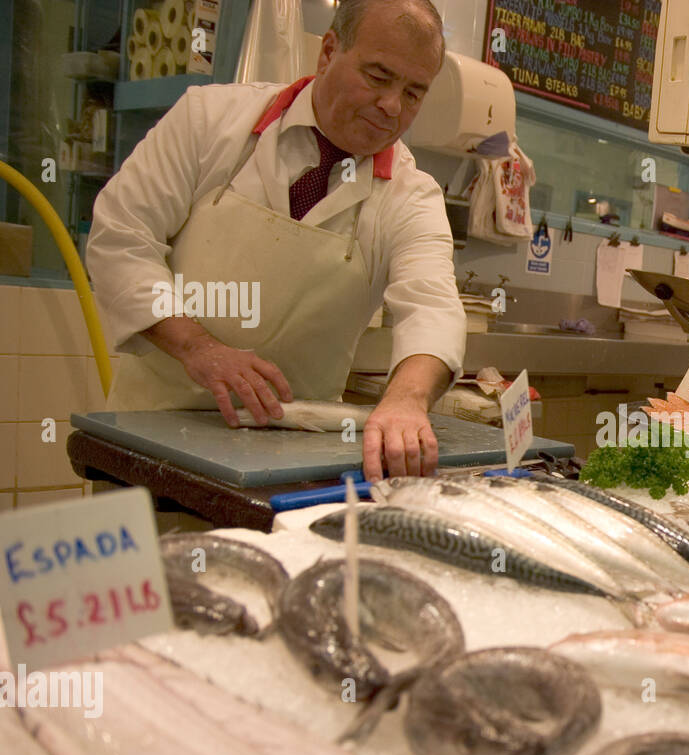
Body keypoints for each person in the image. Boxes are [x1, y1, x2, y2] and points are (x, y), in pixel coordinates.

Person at [86, 0, 466, 484]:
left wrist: (406, 400)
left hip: (290, 463)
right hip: (151, 436)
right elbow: (121, 239)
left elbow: (432, 306)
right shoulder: (209, 119)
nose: (392, 106)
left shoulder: (411, 196)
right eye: (378, 77)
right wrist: (200, 349)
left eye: (414, 93)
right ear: (328, 51)